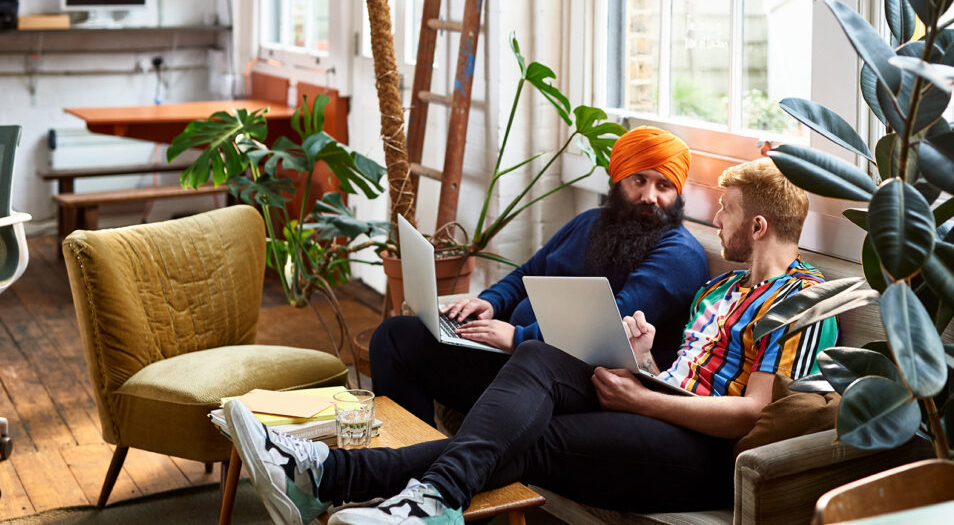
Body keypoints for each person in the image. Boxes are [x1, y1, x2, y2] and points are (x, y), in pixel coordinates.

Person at [225, 157, 839, 525]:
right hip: (657, 408)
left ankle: (334, 475)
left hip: (702, 454)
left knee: (527, 435)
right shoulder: (721, 289)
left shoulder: (805, 302)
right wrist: (645, 360)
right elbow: (682, 374)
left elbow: (753, 413)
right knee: (537, 364)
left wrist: (645, 399)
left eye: (725, 210)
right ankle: (397, 495)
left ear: (758, 225)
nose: (717, 220)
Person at [370, 125, 709, 425]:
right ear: (618, 180)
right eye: (639, 180)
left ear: (677, 193)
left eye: (664, 185)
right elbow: (528, 273)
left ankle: (420, 460)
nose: (650, 197)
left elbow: (610, 324)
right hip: (521, 357)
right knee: (395, 337)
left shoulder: (679, 255)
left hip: (577, 380)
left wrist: (518, 337)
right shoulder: (590, 222)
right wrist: (490, 303)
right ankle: (407, 455)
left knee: (410, 347)